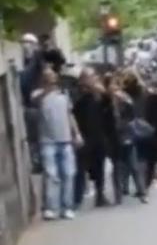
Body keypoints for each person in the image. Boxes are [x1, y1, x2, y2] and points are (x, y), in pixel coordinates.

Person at [35, 68, 81, 220]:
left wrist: (77, 133)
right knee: (52, 175)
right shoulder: (38, 94)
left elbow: (70, 115)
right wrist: (47, 90)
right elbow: (36, 101)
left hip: (65, 140)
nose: (51, 79)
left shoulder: (64, 95)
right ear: (43, 79)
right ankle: (51, 208)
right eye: (47, 77)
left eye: (53, 76)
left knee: (68, 174)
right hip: (47, 141)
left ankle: (67, 207)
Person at [72, 69, 112, 208]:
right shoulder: (78, 94)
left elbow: (108, 103)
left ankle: (100, 196)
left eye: (94, 77)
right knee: (81, 169)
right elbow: (73, 111)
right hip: (84, 137)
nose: (94, 79)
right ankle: (76, 199)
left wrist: (101, 91)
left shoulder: (97, 95)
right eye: (91, 77)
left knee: (99, 168)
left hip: (98, 136)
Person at [107, 76, 148, 204]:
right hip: (115, 141)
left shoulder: (126, 104)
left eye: (117, 91)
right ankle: (118, 196)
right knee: (118, 168)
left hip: (127, 137)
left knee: (134, 167)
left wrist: (124, 101)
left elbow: (132, 117)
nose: (116, 95)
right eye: (112, 92)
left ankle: (142, 193)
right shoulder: (107, 107)